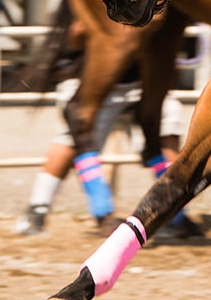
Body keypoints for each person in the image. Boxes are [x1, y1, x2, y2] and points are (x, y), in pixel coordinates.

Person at [14, 19, 188, 236]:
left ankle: (173, 212)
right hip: (87, 79)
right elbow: (77, 31)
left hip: (140, 80)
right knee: (75, 139)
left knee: (167, 127)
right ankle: (38, 209)